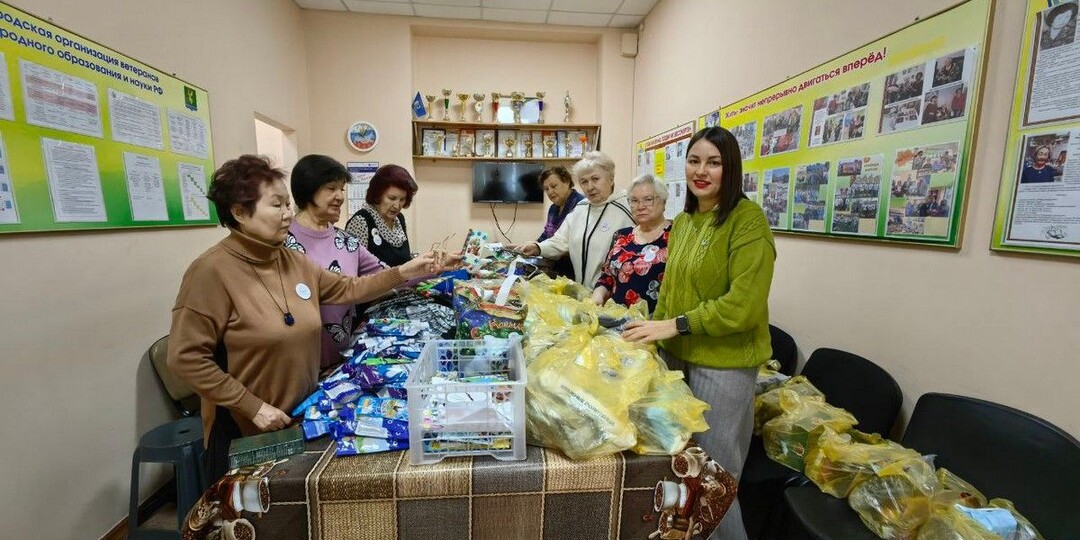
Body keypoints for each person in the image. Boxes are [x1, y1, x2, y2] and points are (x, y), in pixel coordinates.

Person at [168, 155, 438, 483]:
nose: (287, 214)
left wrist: (404, 272)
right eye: (276, 205)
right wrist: (252, 406)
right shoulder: (210, 271)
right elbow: (186, 358)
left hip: (299, 416)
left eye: (287, 204)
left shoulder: (291, 260)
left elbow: (350, 288)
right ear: (239, 212)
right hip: (247, 428)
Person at [622, 127, 776, 540]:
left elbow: (742, 306)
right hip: (680, 360)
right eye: (694, 161)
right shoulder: (687, 221)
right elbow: (672, 290)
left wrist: (675, 325)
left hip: (723, 367)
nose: (701, 171)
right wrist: (648, 331)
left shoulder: (748, 221)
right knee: (682, 473)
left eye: (714, 162)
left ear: (731, 169)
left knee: (714, 483)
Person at [287, 154, 394, 368]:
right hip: (296, 366)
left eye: (342, 189)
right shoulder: (282, 241)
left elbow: (385, 275)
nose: (339, 196)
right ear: (308, 189)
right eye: (331, 188)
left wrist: (430, 268)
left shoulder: (346, 241)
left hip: (338, 359)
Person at [512, 151, 633, 288]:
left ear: (611, 179)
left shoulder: (628, 207)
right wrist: (537, 247)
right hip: (583, 293)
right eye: (584, 182)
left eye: (595, 179)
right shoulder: (580, 208)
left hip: (613, 296)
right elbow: (561, 240)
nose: (590, 187)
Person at [592, 174, 671, 314]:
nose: (640, 206)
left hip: (656, 325)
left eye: (648, 200)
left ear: (663, 202)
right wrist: (598, 295)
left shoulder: (675, 236)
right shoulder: (622, 235)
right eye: (634, 201)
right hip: (617, 322)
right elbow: (607, 277)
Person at [344, 164, 418, 266]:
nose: (397, 206)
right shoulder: (361, 221)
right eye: (392, 198)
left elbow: (404, 260)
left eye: (402, 199)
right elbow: (352, 268)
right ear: (378, 195)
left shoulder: (399, 219)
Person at [536, 166, 584, 279]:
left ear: (567, 181)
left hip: (573, 272)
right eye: (546, 189)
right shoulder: (553, 208)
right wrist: (529, 246)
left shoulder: (581, 205)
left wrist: (538, 248)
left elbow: (574, 245)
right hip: (554, 268)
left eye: (553, 186)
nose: (550, 192)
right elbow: (546, 236)